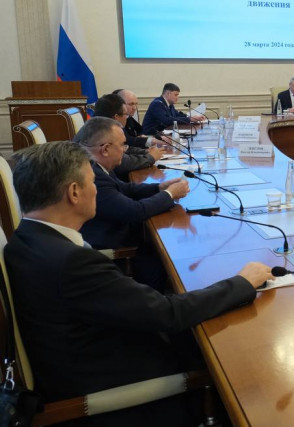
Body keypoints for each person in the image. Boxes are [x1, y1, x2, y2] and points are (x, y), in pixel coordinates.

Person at [3, 141, 274, 426]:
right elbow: (167, 313)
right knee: (237, 362)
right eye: (92, 182)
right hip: (115, 391)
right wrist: (242, 282)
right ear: (74, 192)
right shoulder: (71, 262)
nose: (97, 190)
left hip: (86, 357)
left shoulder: (24, 240)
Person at [75, 118, 190, 288]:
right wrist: (169, 194)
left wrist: (159, 187)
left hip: (116, 228)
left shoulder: (97, 165)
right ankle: (156, 293)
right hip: (111, 241)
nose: (125, 150)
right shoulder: (93, 174)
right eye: (122, 145)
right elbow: (134, 211)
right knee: (166, 244)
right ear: (105, 149)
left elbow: (125, 188)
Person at [94, 94, 164, 181]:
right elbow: (123, 163)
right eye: (126, 115)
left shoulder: (101, 126)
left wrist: (146, 152)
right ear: (116, 117)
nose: (127, 118)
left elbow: (126, 148)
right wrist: (150, 157)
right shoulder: (101, 134)